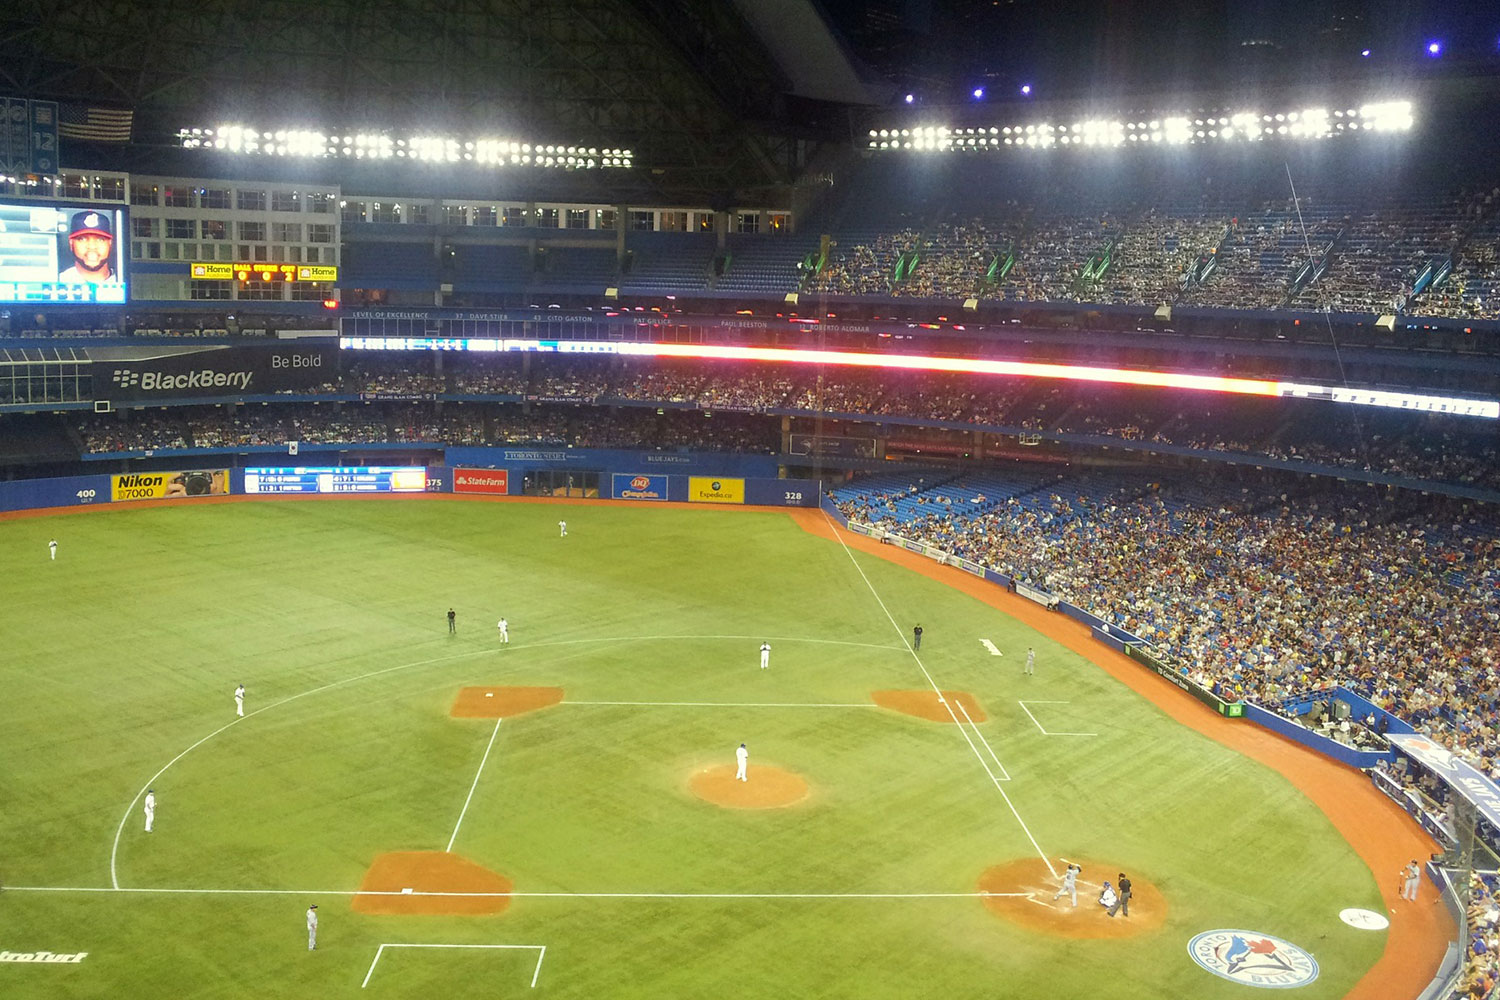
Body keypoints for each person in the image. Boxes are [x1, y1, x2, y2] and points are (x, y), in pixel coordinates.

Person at [58, 210, 119, 284]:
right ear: (71, 243)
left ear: (110, 243)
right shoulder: (58, 281)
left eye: (100, 239)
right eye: (82, 239)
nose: (92, 246)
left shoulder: (121, 280)